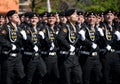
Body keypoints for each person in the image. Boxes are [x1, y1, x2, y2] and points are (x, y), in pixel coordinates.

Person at [0, 10, 26, 84]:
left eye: (17, 15)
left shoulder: (19, 28)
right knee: (8, 78)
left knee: (21, 76)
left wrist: (26, 38)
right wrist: (10, 45)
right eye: (15, 15)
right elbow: (1, 38)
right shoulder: (6, 27)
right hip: (9, 57)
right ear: (10, 18)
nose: (17, 16)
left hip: (18, 57)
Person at [57, 9, 83, 84]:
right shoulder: (66, 26)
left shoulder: (76, 27)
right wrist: (69, 46)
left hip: (75, 57)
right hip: (67, 57)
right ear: (68, 17)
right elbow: (60, 37)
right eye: (74, 14)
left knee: (79, 78)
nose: (76, 16)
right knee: (67, 80)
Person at [78, 12, 103, 84]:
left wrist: (102, 36)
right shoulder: (84, 28)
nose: (91, 19)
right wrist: (90, 44)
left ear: (96, 19)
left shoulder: (98, 29)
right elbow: (81, 38)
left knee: (98, 76)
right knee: (87, 78)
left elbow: (101, 43)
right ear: (87, 19)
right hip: (87, 57)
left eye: (93, 17)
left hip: (97, 57)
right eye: (90, 17)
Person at [22, 12, 47, 84]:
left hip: (38, 56)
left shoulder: (40, 28)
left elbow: (44, 42)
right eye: (32, 18)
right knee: (29, 78)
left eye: (35, 18)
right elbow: (27, 40)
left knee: (44, 73)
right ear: (29, 19)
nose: (34, 20)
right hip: (30, 56)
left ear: (38, 19)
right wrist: (33, 45)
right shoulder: (26, 28)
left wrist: (43, 38)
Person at [40, 12, 60, 84]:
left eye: (52, 18)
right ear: (47, 19)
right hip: (48, 55)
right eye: (49, 18)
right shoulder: (44, 28)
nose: (51, 19)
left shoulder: (57, 28)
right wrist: (49, 43)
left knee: (57, 76)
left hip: (56, 55)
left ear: (55, 19)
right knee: (47, 76)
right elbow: (43, 37)